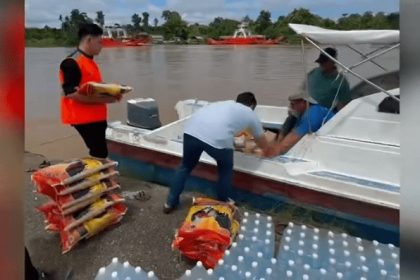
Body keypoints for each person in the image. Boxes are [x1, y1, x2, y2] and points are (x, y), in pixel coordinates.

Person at [164, 92, 269, 213]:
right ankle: (223, 201)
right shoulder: (249, 113)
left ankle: (169, 203)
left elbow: (221, 126)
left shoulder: (224, 104)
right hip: (217, 138)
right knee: (225, 169)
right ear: (252, 106)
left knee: (185, 166)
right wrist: (268, 150)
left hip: (190, 132)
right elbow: (263, 143)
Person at [58, 23, 121, 159]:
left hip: (95, 115)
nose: (102, 46)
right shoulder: (71, 62)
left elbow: (92, 85)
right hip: (82, 116)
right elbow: (71, 94)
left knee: (99, 150)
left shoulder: (89, 61)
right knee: (99, 151)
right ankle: (97, 177)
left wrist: (113, 91)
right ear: (89, 40)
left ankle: (99, 176)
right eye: (99, 42)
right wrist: (105, 99)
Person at [275, 47, 351, 141]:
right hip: (304, 107)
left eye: (324, 62)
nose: (321, 64)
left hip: (321, 114)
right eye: (320, 62)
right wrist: (293, 104)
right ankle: (279, 139)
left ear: (333, 61)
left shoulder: (341, 81)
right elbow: (301, 90)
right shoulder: (314, 73)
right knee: (292, 116)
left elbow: (343, 107)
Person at [266, 92, 335, 157]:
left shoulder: (312, 114)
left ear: (303, 102)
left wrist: (273, 152)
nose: (291, 107)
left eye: (293, 104)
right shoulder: (301, 113)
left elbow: (293, 137)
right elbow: (287, 130)